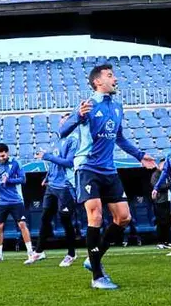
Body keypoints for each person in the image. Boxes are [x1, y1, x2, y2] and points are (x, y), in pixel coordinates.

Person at [59, 63, 157, 290]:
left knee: (124, 218)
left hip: (109, 170)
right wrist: (76, 115)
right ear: (97, 82)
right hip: (87, 167)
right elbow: (62, 132)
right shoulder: (87, 106)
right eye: (111, 76)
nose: (116, 79)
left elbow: (120, 138)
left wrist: (140, 156)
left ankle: (92, 256)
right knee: (95, 216)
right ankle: (97, 276)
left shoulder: (118, 107)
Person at [29, 114, 79, 267]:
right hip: (52, 185)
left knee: (65, 219)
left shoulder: (73, 140)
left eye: (66, 121)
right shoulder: (56, 140)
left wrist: (47, 156)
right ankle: (38, 251)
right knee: (45, 218)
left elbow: (69, 162)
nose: (62, 124)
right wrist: (47, 176)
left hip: (66, 186)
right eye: (61, 121)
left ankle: (71, 254)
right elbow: (54, 163)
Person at [0, 143, 34, 262]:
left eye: (2, 155)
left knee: (22, 225)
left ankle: (30, 253)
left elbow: (23, 179)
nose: (1, 158)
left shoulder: (15, 163)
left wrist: (9, 180)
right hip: (2, 202)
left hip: (16, 200)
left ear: (7, 153)